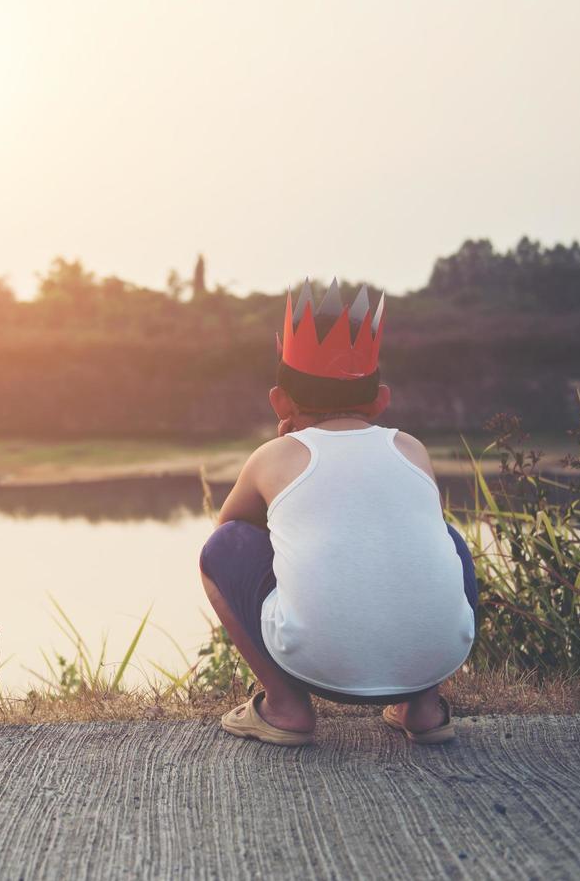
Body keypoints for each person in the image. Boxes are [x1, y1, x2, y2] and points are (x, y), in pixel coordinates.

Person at [200, 278, 476, 746]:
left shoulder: (274, 456)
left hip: (314, 666)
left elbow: (231, 527)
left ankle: (285, 707)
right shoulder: (411, 449)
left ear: (280, 401)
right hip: (435, 657)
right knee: (448, 540)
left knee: (219, 548)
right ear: (381, 400)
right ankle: (423, 708)